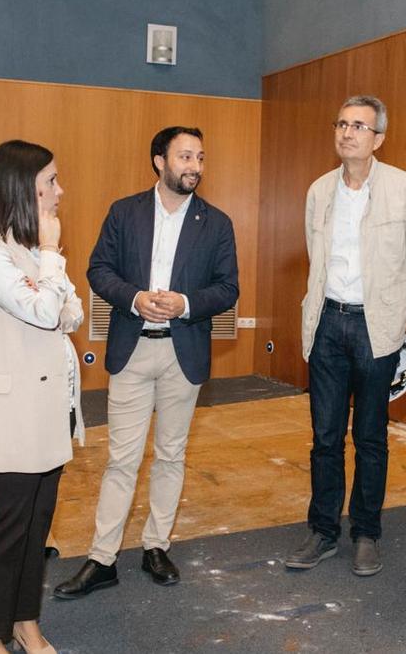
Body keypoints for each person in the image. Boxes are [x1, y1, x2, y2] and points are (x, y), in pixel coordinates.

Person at [54, 126, 239, 599]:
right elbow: (99, 269)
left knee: (172, 454)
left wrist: (186, 304)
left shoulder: (216, 223)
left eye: (200, 157)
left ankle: (156, 546)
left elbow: (227, 288)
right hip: (132, 349)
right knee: (122, 459)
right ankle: (102, 558)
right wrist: (135, 298)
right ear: (159, 161)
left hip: (185, 351)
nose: (194, 166)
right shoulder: (124, 212)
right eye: (184, 156)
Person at [286, 95, 406, 576]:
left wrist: (396, 318)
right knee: (325, 437)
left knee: (370, 437)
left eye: (359, 127)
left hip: (378, 328)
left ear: (379, 139)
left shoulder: (405, 189)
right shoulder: (318, 191)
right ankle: (323, 531)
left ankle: (366, 532)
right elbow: (316, 258)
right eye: (342, 124)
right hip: (328, 323)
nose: (347, 133)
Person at [0, 139, 84, 654]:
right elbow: (42, 312)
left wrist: (47, 269)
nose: (60, 191)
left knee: (38, 526)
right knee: (8, 525)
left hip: (49, 409)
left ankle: (23, 620)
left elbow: (71, 312)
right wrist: (51, 260)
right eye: (50, 182)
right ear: (19, 189)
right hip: (10, 414)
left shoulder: (32, 251)